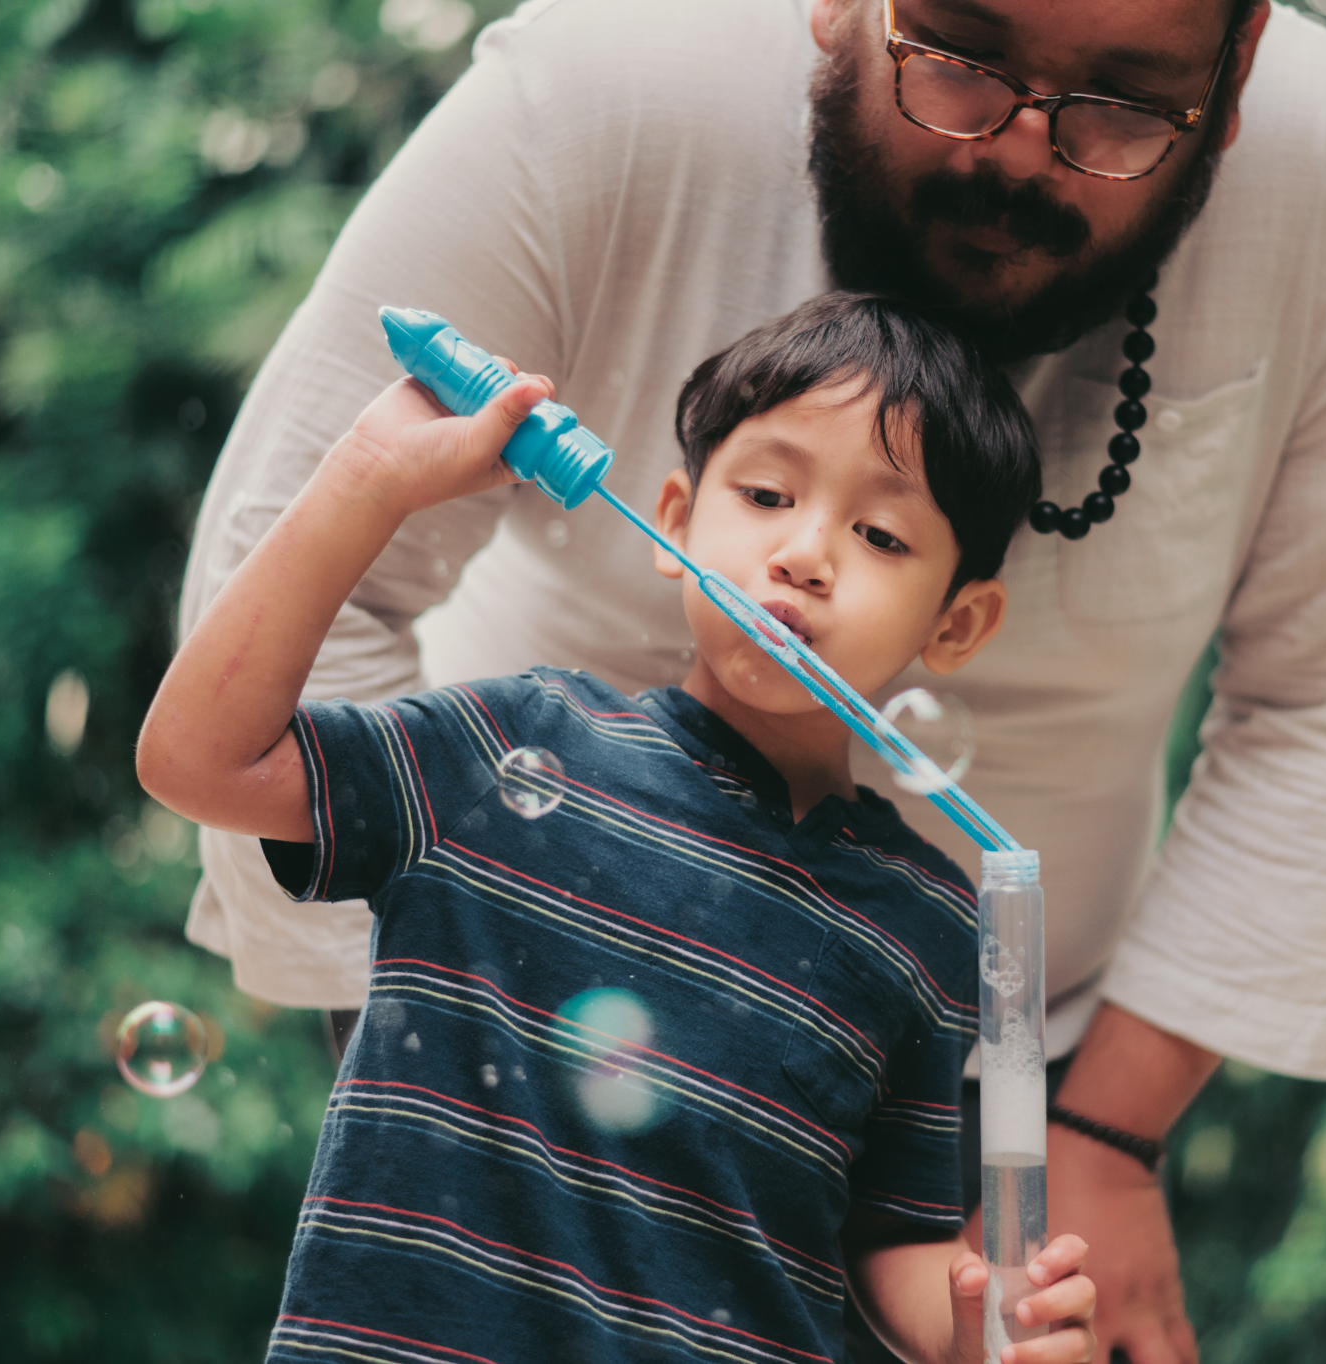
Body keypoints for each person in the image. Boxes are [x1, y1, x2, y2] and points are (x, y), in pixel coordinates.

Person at [175, 0, 1326, 1357]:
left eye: (1120, 108)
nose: (1020, 154)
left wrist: (1096, 1139)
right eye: (961, 60)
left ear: (1242, 55)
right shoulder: (604, 83)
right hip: (499, 1001)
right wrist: (445, 1044)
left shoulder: (924, 924)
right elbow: (251, 670)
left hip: (1008, 1082)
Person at [140, 294, 1100, 1363]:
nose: (803, 552)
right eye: (767, 493)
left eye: (880, 533)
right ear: (676, 522)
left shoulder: (926, 919)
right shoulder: (502, 745)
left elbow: (891, 1240)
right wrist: (369, 480)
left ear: (956, 622)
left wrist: (984, 1333)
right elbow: (198, 759)